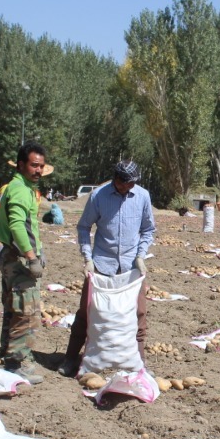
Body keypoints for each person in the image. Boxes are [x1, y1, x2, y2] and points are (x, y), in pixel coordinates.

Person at [59, 160, 156, 378]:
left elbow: (148, 229)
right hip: (102, 263)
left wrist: (141, 255)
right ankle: (71, 358)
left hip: (131, 265)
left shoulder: (142, 196)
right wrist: (87, 258)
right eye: (126, 183)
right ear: (116, 180)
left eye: (132, 184)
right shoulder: (98, 196)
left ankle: (139, 362)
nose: (129, 187)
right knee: (87, 312)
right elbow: (84, 226)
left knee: (138, 313)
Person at [0, 142, 53, 383]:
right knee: (24, 311)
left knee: (12, 307)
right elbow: (18, 225)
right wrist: (31, 257)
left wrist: (37, 250)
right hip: (19, 259)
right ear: (21, 165)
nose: (38, 170)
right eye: (33, 165)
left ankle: (8, 355)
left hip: (13, 255)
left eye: (41, 166)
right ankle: (17, 364)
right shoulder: (19, 189)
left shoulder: (21, 188)